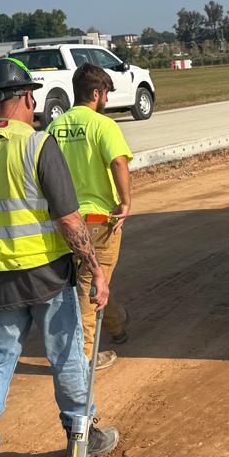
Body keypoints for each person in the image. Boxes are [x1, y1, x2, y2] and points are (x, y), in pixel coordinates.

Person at [0, 57, 117, 457]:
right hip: (46, 275)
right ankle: (83, 435)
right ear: (27, 98)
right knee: (67, 357)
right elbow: (70, 220)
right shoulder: (39, 146)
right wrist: (96, 270)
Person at [47, 62, 133, 372]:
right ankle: (83, 357)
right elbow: (119, 162)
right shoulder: (103, 125)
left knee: (93, 276)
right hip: (97, 219)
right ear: (96, 93)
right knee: (89, 285)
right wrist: (125, 202)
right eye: (106, 94)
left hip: (63, 219)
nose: (107, 100)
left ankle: (117, 324)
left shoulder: (54, 128)